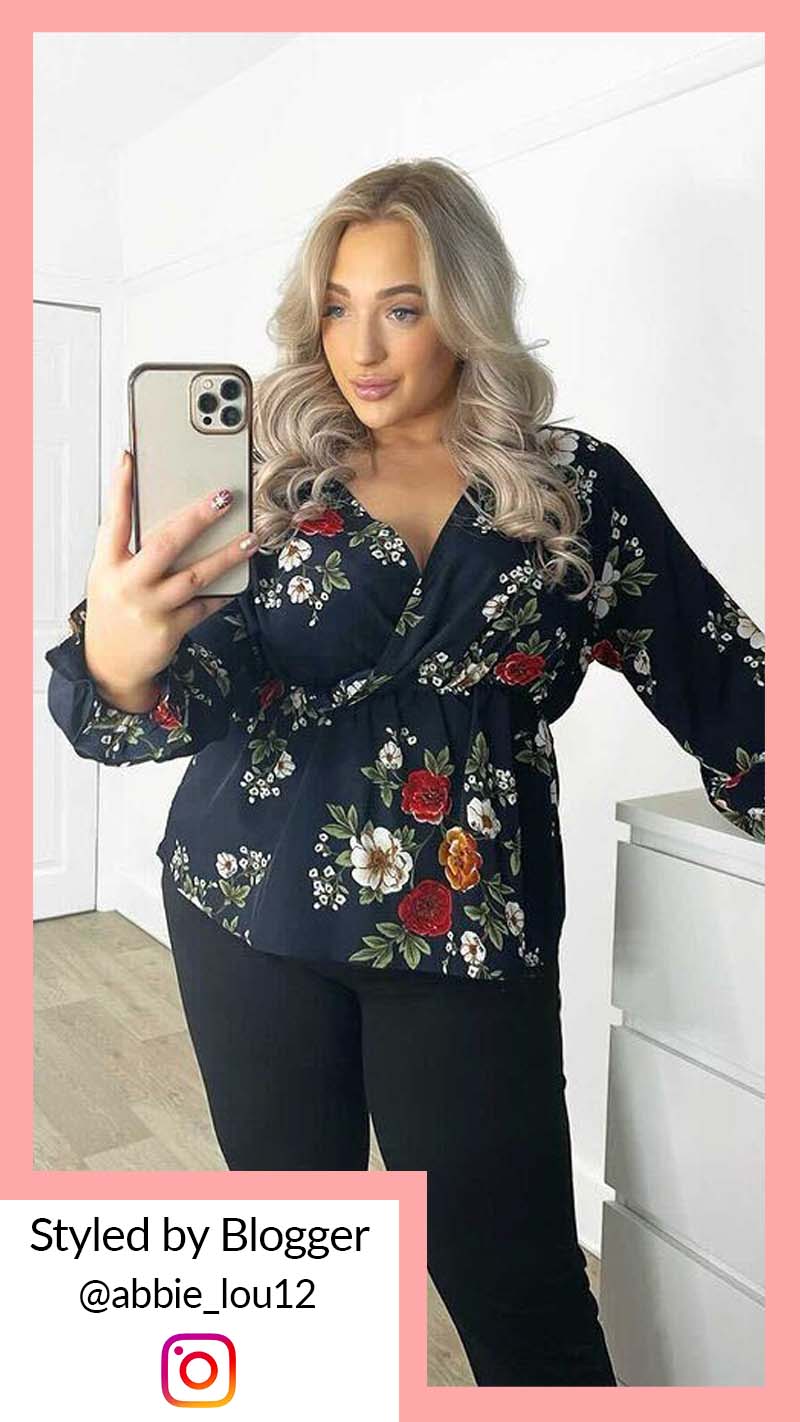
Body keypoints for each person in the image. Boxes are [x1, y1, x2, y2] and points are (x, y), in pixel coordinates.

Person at [44, 158, 765, 1387]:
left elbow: (715, 671)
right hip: (246, 911)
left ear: (466, 307)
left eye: (401, 306)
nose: (360, 347)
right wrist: (116, 654)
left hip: (468, 930)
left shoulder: (572, 486)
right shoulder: (269, 484)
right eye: (336, 306)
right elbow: (168, 709)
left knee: (520, 1285)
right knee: (296, 1266)